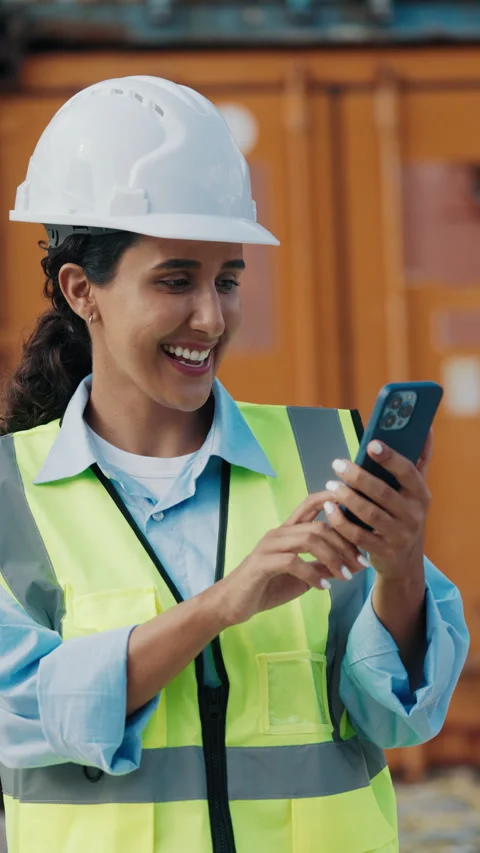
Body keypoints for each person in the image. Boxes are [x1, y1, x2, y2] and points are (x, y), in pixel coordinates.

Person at [0, 75, 469, 853]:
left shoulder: (322, 455)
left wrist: (402, 568)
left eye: (227, 280)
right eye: (176, 281)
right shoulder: (12, 494)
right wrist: (224, 603)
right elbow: (22, 708)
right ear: (84, 290)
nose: (211, 318)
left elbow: (399, 717)